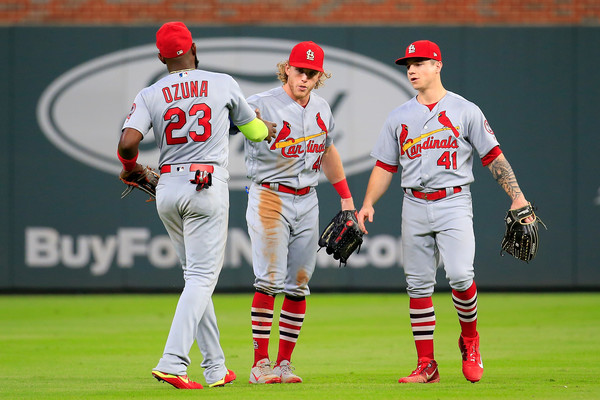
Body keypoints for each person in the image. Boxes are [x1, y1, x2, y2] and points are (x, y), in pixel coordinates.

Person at [357, 40, 533, 384]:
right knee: (418, 286)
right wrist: (367, 203)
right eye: (408, 64)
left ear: (438, 65)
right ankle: (427, 365)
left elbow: (492, 157)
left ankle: (470, 342)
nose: (411, 69)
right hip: (414, 204)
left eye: (419, 62)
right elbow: (384, 165)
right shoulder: (399, 116)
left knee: (460, 276)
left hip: (453, 201)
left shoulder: (465, 110)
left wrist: (518, 197)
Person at [117, 21, 276, 389]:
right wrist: (263, 126)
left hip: (167, 185)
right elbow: (254, 132)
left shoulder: (151, 93)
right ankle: (172, 362)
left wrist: (132, 168)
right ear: (194, 48)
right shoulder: (222, 83)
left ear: (161, 57)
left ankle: (216, 368)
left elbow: (127, 145)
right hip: (205, 184)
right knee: (203, 279)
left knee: (195, 279)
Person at [242, 41, 356, 384]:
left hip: (308, 197)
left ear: (319, 76)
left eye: (311, 73)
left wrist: (347, 199)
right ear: (286, 69)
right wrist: (245, 123)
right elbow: (229, 126)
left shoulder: (322, 107)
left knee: (299, 284)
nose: (304, 77)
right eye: (299, 70)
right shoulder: (259, 105)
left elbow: (328, 150)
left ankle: (283, 364)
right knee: (269, 280)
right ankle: (259, 364)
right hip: (269, 195)